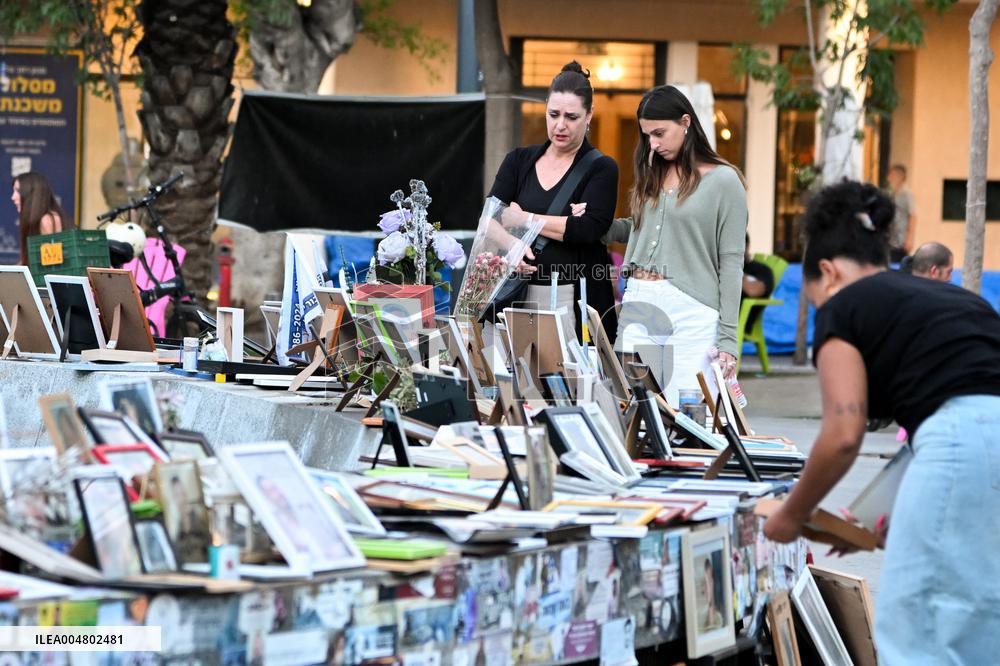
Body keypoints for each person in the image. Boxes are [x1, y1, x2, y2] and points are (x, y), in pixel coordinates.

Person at [762, 180, 1000, 664]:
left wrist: (788, 517)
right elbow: (960, 402)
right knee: (978, 621)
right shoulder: (951, 298)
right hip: (967, 445)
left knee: (913, 632)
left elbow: (843, 434)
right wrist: (878, 518)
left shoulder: (845, 308)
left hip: (959, 444)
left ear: (827, 273)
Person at [605, 85, 747, 405]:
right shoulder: (653, 174)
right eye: (647, 136)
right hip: (640, 300)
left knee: (688, 410)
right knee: (637, 407)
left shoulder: (724, 181)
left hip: (692, 307)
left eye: (659, 133)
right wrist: (597, 226)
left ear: (685, 122)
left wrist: (728, 340)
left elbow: (732, 261)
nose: (653, 144)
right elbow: (639, 229)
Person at [488, 61, 620, 341]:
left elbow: (587, 229)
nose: (560, 125)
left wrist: (523, 219)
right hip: (515, 292)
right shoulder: (518, 160)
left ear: (589, 115)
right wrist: (514, 245)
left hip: (572, 295)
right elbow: (489, 219)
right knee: (515, 382)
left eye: (571, 117)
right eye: (554, 114)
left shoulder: (602, 168)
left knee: (569, 383)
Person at [11, 171, 68, 266]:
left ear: (31, 193)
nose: (13, 197)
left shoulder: (47, 220)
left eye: (17, 191)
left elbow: (53, 264)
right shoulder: (40, 219)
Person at [741, 233, 775, 332]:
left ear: (746, 246)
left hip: (737, 322)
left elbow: (753, 291)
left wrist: (733, 269)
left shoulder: (762, 270)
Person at [886, 164, 916, 262]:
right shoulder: (891, 193)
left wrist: (910, 239)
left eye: (891, 175)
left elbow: (913, 215)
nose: (889, 178)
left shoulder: (907, 193)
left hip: (901, 240)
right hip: (890, 239)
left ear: (900, 177)